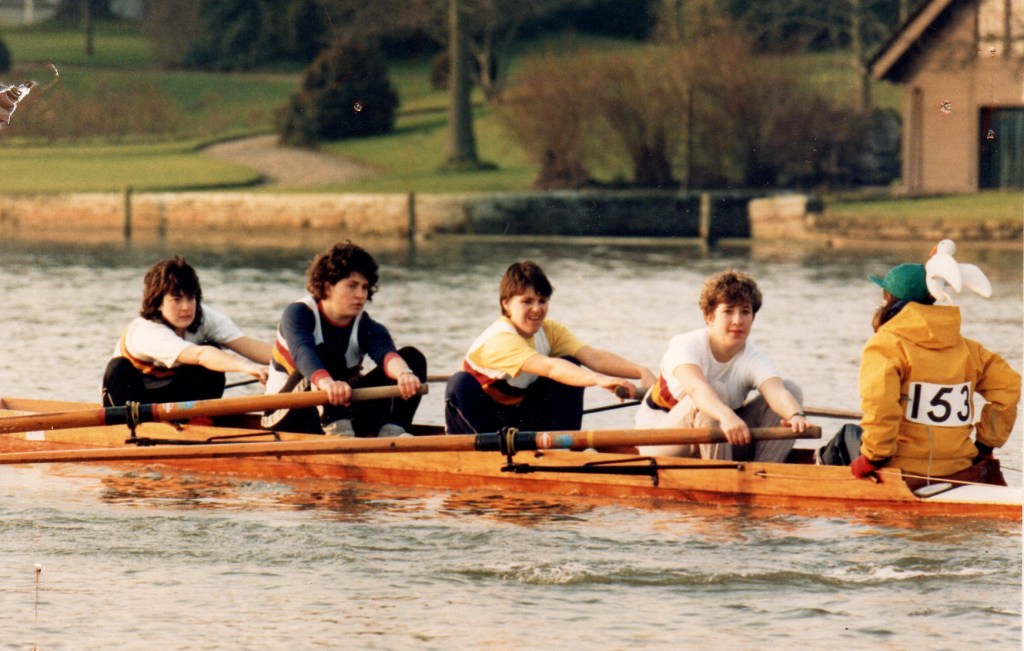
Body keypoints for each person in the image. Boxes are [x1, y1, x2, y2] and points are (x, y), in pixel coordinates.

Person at [816, 261, 1020, 486]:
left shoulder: (885, 345)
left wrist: (875, 458)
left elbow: (880, 407)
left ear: (888, 300)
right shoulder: (970, 350)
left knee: (847, 434)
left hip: (902, 470)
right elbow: (1008, 388)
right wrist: (984, 447)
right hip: (959, 466)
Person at [445, 260, 657, 434]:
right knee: (459, 383)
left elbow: (593, 357)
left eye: (542, 300)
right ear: (506, 304)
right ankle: (492, 454)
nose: (537, 309)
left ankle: (562, 449)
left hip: (516, 418)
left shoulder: (550, 331)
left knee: (571, 363)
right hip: (479, 422)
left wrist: (641, 371)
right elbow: (550, 368)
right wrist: (599, 380)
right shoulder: (500, 339)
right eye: (527, 301)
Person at [634, 269, 809, 462]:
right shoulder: (685, 345)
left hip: (717, 437)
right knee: (715, 390)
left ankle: (763, 473)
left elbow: (776, 392)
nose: (737, 321)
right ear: (709, 317)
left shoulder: (753, 357)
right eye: (728, 311)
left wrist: (795, 416)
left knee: (791, 390)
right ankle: (721, 480)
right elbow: (696, 388)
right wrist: (726, 416)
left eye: (745, 312)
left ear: (753, 318)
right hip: (660, 443)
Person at [262, 241, 425, 437]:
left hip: (338, 409)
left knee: (411, 358)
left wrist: (404, 374)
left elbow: (385, 353)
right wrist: (328, 383)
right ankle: (343, 439)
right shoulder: (299, 313)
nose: (361, 295)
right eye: (352, 286)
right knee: (328, 355)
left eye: (365, 287)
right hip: (285, 415)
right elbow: (303, 352)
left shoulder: (365, 325)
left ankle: (392, 436)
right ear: (327, 286)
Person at [102, 256, 271, 407]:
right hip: (134, 400)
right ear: (158, 302)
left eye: (191, 298)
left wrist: (292, 361)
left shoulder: (205, 317)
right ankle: (128, 427)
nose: (186, 307)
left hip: (173, 396)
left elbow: (247, 345)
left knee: (213, 352)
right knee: (119, 367)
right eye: (176, 299)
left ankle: (198, 423)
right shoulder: (145, 331)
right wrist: (249, 367)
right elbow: (200, 355)